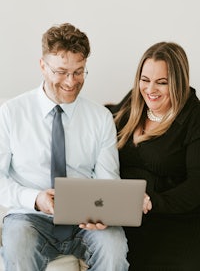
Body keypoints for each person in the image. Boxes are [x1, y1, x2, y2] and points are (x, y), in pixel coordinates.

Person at [0, 23, 129, 271]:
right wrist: (35, 199)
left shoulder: (100, 118)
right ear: (43, 66)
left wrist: (105, 213)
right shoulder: (10, 114)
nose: (71, 82)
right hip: (29, 217)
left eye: (79, 72)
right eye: (61, 72)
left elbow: (107, 181)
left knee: (114, 245)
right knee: (18, 243)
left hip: (86, 219)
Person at [106, 42, 200, 271]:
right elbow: (105, 115)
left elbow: (196, 186)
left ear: (178, 83)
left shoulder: (193, 117)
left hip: (173, 222)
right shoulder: (135, 102)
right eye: (145, 79)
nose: (150, 90)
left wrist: (151, 202)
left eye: (162, 82)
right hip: (125, 217)